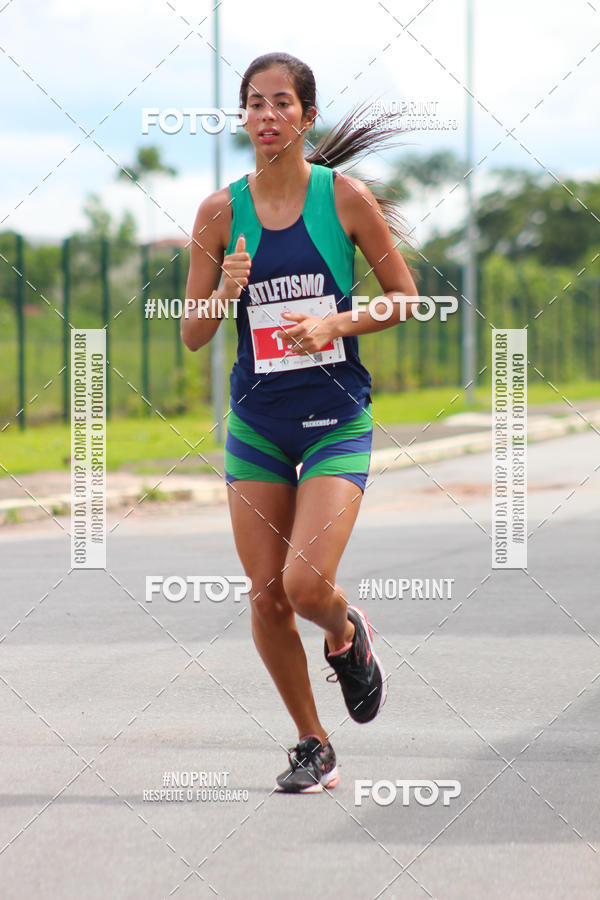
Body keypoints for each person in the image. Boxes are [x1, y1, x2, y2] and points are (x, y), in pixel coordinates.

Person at [182, 52, 418, 794]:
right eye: (255, 103)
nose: (267, 115)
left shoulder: (343, 198)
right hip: (257, 424)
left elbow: (405, 297)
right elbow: (192, 333)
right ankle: (313, 743)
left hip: (334, 419)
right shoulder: (219, 213)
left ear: (307, 117)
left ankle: (347, 634)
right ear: (243, 117)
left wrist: (336, 323)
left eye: (282, 102)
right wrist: (224, 292)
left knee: (308, 586)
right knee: (265, 594)